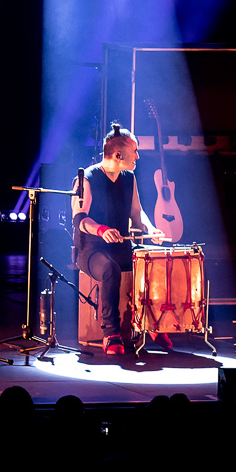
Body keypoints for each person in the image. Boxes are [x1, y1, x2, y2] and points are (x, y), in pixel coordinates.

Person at [72, 123, 165, 356]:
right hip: (91, 250)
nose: (138, 156)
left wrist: (151, 229)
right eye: (135, 151)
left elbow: (137, 213)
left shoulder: (129, 178)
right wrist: (101, 229)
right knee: (110, 269)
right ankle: (111, 333)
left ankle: (153, 322)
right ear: (118, 154)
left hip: (121, 246)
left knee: (153, 260)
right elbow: (79, 218)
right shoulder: (87, 178)